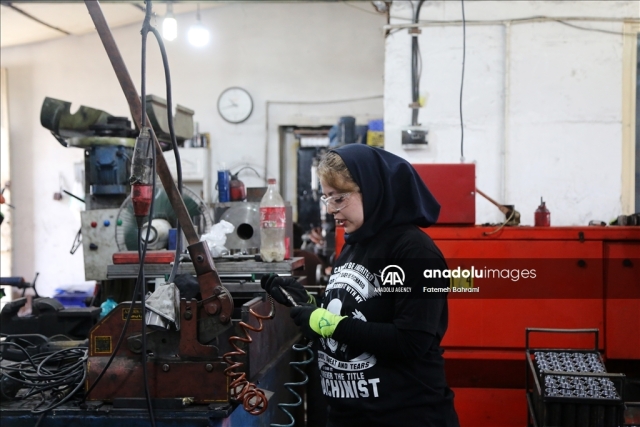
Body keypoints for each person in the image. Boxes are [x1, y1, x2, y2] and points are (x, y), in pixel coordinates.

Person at [262, 144, 459, 427]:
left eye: (339, 198)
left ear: (372, 189)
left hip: (404, 417)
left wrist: (325, 323)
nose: (331, 209)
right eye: (327, 198)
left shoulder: (414, 250)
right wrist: (307, 303)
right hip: (350, 416)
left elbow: (412, 340)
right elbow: (359, 316)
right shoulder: (355, 244)